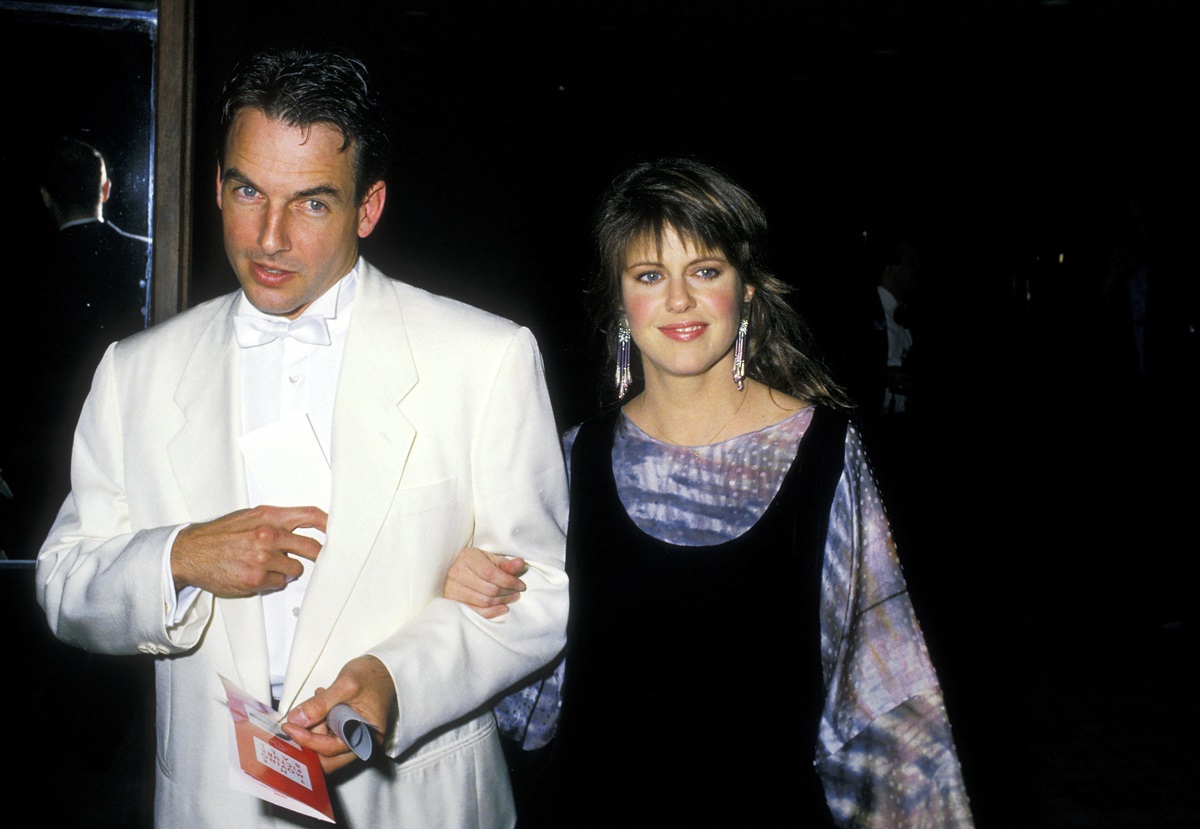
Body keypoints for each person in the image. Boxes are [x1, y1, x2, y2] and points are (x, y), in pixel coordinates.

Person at [36, 48, 569, 828]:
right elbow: (62, 582)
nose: (269, 236)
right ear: (218, 184)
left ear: (368, 208)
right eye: (248, 191)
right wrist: (179, 557)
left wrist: (395, 681)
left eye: (312, 203)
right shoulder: (135, 371)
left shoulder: (485, 358)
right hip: (212, 805)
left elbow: (540, 593)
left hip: (416, 803)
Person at [445, 158, 974, 827]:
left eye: (704, 270)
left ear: (746, 286)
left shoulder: (826, 454)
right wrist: (476, 596)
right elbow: (527, 699)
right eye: (649, 275)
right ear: (619, 299)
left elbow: (882, 698)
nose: (678, 300)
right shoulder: (570, 458)